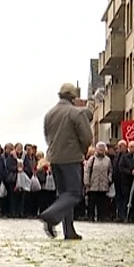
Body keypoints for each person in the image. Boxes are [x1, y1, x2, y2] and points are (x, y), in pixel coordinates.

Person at [39, 83, 92, 239]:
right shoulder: (75, 112)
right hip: (71, 158)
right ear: (73, 97)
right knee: (74, 193)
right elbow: (86, 137)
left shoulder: (49, 114)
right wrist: (82, 150)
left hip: (54, 158)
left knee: (64, 195)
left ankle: (69, 230)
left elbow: (47, 136)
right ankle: (50, 215)